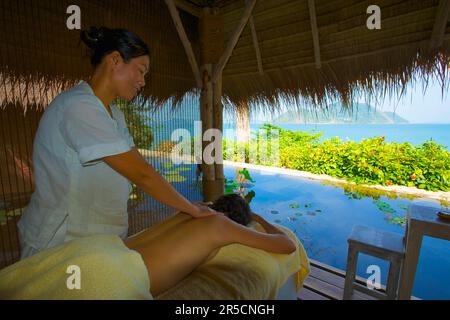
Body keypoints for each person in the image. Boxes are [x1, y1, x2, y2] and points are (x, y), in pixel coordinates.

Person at [17, 26, 221, 260]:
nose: (143, 82)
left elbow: (137, 163)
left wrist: (186, 206)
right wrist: (191, 208)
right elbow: (142, 175)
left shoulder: (113, 113)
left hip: (97, 245)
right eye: (141, 71)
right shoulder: (78, 106)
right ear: (115, 60)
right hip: (60, 246)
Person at [124, 193, 297, 296]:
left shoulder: (190, 210)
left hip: (112, 252)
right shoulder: (222, 225)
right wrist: (258, 218)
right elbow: (288, 245)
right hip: (125, 283)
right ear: (239, 221)